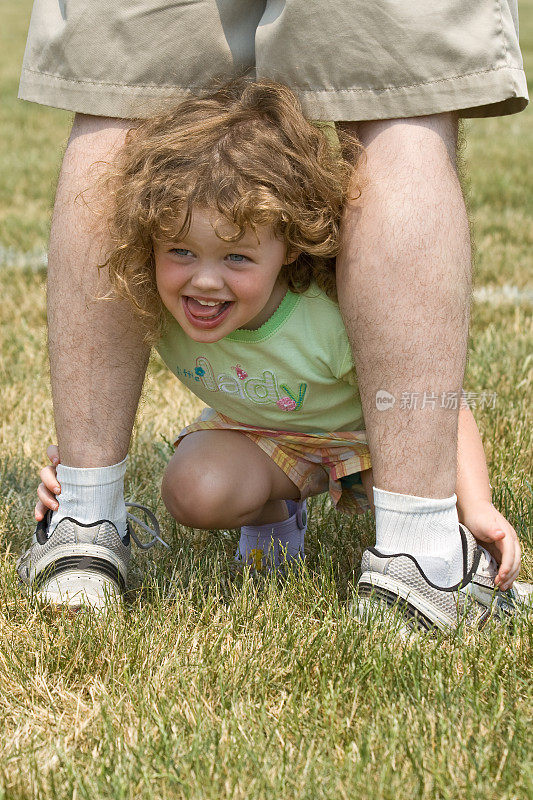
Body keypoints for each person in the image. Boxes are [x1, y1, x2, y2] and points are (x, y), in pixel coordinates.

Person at [17, 3, 528, 623]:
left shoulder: (331, 322)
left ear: (288, 248)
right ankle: (97, 516)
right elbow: (101, 359)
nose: (205, 280)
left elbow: (437, 405)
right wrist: (66, 466)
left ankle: (421, 547)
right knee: (192, 488)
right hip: (272, 441)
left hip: (366, 441)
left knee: (388, 96)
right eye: (180, 250)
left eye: (237, 257)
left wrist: (472, 506)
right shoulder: (156, 296)